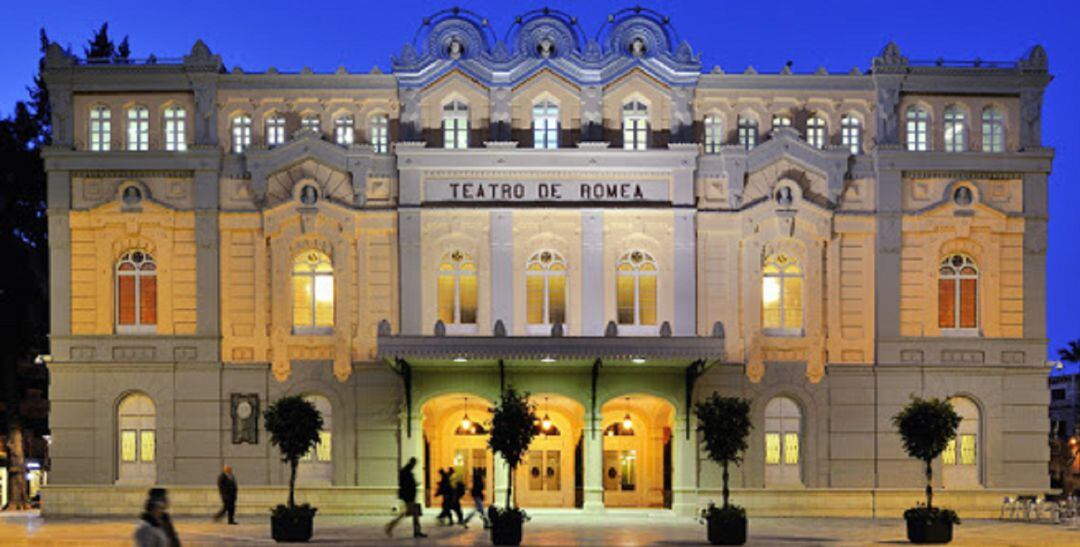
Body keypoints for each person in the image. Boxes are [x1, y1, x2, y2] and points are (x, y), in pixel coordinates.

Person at [385, 457, 426, 538]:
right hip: (409, 497)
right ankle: (390, 526)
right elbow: (407, 485)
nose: (415, 465)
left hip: (409, 497)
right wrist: (414, 485)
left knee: (413, 514)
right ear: (412, 463)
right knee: (413, 514)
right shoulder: (406, 472)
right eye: (414, 463)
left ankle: (391, 526)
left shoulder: (406, 471)